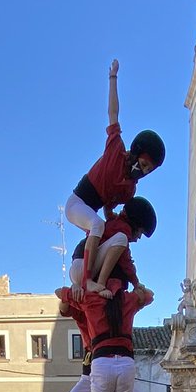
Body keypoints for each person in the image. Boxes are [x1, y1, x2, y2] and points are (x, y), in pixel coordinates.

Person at [64, 59, 164, 291]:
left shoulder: (130, 189)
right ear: (136, 153)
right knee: (96, 224)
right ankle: (88, 281)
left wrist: (116, 231)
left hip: (93, 214)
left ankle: (90, 276)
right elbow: (113, 112)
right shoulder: (115, 149)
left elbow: (109, 210)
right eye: (144, 164)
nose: (144, 171)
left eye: (149, 170)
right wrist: (113, 78)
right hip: (77, 203)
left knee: (99, 225)